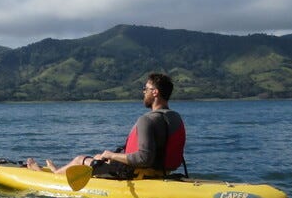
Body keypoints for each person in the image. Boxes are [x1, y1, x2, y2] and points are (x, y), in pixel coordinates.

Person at [29, 72, 186, 177]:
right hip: (163, 173)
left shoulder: (147, 120)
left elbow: (144, 159)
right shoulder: (175, 118)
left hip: (137, 175)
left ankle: (51, 175)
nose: (143, 92)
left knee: (80, 159)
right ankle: (58, 170)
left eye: (145, 89)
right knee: (98, 158)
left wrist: (111, 155)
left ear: (155, 92)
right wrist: (113, 158)